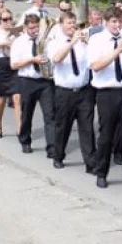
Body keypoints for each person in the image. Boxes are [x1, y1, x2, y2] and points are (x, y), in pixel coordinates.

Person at [88, 6, 122, 192]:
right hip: (107, 93)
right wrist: (117, 52)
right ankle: (101, 172)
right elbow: (96, 66)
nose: (117, 26)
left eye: (120, 22)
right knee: (106, 135)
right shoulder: (97, 40)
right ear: (105, 22)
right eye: (114, 22)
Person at [48, 12, 95, 171]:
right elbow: (56, 59)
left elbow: (92, 61)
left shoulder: (82, 41)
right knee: (63, 126)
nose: (72, 26)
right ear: (61, 24)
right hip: (65, 92)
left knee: (87, 127)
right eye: (69, 23)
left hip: (84, 90)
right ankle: (58, 155)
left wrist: (88, 43)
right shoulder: (55, 42)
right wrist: (71, 43)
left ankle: (90, 162)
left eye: (74, 23)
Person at [10, 14, 56, 155]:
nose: (35, 30)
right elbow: (14, 65)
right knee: (27, 114)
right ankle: (25, 141)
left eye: (37, 27)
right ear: (25, 28)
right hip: (27, 81)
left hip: (45, 81)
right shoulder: (19, 42)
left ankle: (52, 148)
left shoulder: (46, 40)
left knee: (50, 115)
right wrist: (32, 59)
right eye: (31, 28)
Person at [0, 8, 21, 137]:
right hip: (0, 65)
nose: (8, 22)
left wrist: (17, 35)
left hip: (14, 64)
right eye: (5, 19)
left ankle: (20, 129)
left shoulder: (16, 32)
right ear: (0, 21)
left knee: (18, 98)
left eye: (10, 19)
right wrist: (1, 44)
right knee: (1, 99)